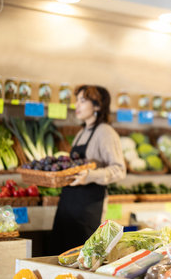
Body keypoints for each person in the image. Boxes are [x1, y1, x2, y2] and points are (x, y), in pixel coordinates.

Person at [49, 85, 126, 254]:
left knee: (82, 255)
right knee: (62, 253)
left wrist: (90, 175)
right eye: (77, 100)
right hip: (68, 203)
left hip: (89, 207)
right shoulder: (82, 132)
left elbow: (119, 170)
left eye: (82, 101)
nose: (76, 105)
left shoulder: (105, 132)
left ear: (97, 106)